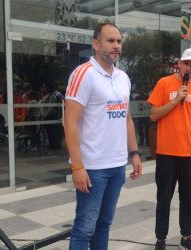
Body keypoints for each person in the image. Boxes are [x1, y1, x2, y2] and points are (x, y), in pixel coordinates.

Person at [64, 23, 142, 250]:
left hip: (117, 165)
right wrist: (77, 167)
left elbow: (126, 119)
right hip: (92, 168)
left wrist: (135, 153)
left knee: (104, 224)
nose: (116, 45)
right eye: (111, 41)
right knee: (84, 227)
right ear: (96, 44)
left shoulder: (123, 78)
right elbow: (70, 122)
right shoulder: (83, 75)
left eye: (119, 41)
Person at [148, 48, 191, 250]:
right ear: (179, 63)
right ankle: (161, 239)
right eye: (186, 63)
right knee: (164, 197)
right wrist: (175, 100)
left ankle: (186, 237)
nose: (189, 68)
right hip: (167, 152)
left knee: (187, 198)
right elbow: (153, 114)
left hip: (190, 153)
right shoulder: (164, 83)